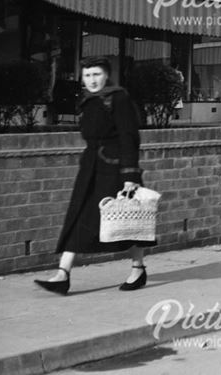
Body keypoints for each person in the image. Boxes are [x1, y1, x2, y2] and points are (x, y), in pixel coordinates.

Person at [35, 56, 155, 295]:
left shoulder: (118, 98)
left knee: (129, 220)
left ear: (106, 75)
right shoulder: (88, 101)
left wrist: (129, 174)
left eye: (96, 74)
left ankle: (138, 268)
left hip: (115, 169)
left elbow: (129, 137)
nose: (92, 80)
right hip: (90, 168)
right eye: (87, 75)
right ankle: (63, 274)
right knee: (78, 217)